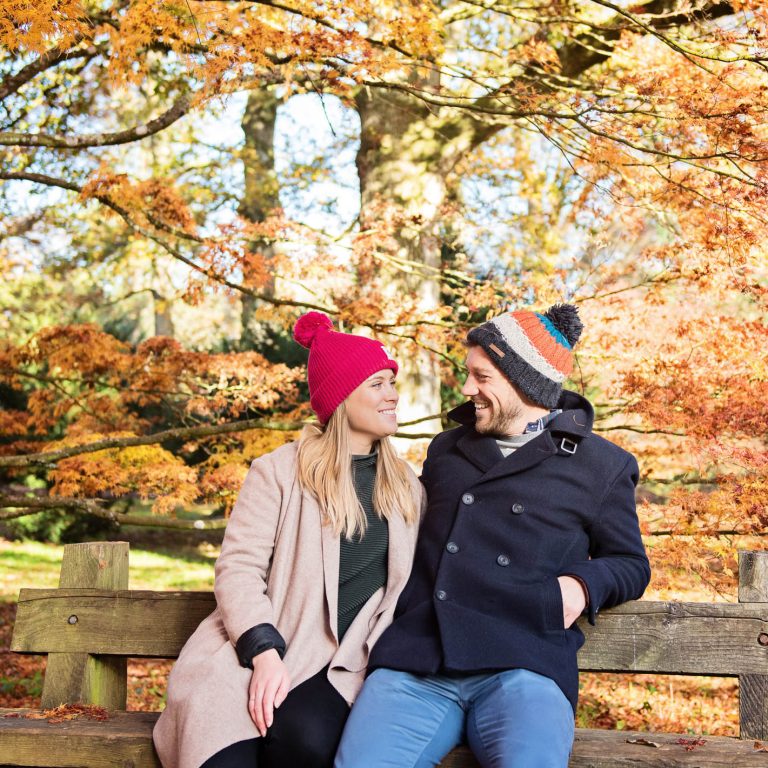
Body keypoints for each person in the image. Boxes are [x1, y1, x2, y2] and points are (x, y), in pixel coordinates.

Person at [335, 303, 651, 768]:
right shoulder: (448, 449)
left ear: (524, 381)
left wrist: (582, 586)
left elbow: (631, 563)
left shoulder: (601, 465)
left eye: (482, 378)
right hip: (420, 660)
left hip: (525, 662)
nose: (467, 390)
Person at [153, 311, 422, 768]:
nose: (392, 394)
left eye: (391, 382)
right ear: (341, 397)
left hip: (343, 660)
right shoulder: (279, 471)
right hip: (258, 647)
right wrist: (263, 653)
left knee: (307, 743)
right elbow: (239, 568)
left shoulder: (408, 487)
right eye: (377, 384)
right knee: (221, 754)